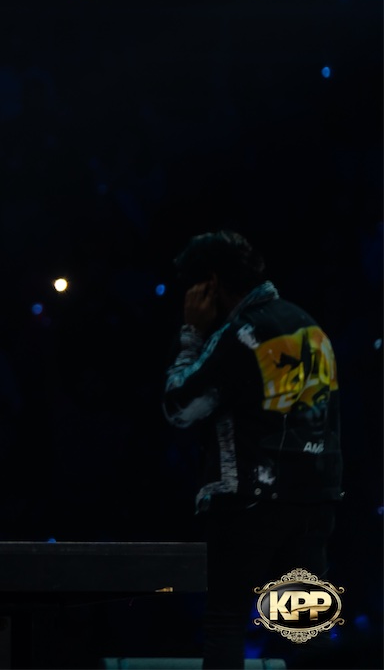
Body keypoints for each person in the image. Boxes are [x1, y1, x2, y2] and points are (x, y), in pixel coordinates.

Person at [162, 230, 343, 670]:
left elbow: (179, 406)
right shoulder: (309, 326)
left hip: (250, 503)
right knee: (305, 629)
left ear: (210, 284)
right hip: (314, 499)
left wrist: (192, 334)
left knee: (226, 621)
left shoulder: (239, 332)